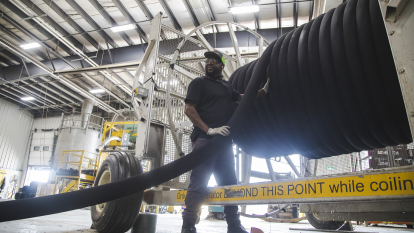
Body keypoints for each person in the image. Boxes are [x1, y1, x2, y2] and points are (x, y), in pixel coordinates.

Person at [182, 50, 269, 233]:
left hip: (224, 144)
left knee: (230, 185)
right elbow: (189, 109)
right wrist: (209, 129)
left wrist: (262, 91)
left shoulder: (226, 87)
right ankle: (188, 226)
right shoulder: (199, 83)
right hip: (205, 141)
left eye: (213, 61)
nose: (209, 63)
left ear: (222, 65)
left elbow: (242, 99)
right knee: (198, 184)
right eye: (207, 61)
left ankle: (234, 226)